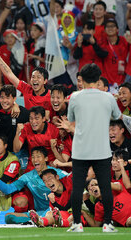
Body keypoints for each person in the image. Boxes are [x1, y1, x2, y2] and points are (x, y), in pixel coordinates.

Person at [67, 63, 122, 232]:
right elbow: (117, 116)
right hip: (101, 150)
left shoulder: (75, 97)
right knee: (106, 187)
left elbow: (71, 118)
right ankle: (107, 224)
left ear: (82, 79)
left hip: (80, 150)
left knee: (77, 188)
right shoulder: (108, 97)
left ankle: (76, 224)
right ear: (98, 79)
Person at [0, 146, 68, 224]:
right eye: (33, 157)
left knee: (56, 214)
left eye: (38, 156)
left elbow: (72, 181)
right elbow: (8, 189)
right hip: (38, 213)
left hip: (57, 210)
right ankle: (35, 220)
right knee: (8, 217)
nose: (35, 160)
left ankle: (40, 220)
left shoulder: (58, 173)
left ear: (46, 158)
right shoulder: (28, 177)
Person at [0, 48, 51, 112]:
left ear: (45, 81)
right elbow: (9, 74)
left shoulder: (51, 95)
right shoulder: (26, 89)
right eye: (33, 77)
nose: (35, 79)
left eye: (38, 77)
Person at [13, 106, 59, 170]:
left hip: (50, 164)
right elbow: (16, 150)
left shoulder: (54, 130)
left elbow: (60, 152)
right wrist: (17, 133)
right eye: (31, 118)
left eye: (37, 118)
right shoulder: (26, 128)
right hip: (33, 164)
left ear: (43, 119)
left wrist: (56, 162)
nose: (33, 122)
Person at [0, 85, 29, 154]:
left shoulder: (23, 112)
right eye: (2, 97)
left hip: (19, 152)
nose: (4, 101)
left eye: (8, 98)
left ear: (14, 99)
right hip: (0, 152)